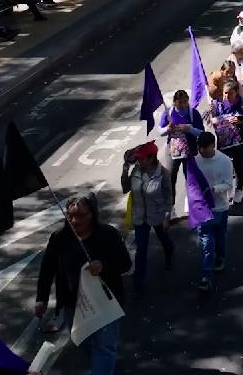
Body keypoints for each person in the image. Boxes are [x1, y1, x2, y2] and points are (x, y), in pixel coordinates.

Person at [33, 192, 131, 375]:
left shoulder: (109, 235)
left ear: (93, 214)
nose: (75, 221)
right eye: (70, 215)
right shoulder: (59, 238)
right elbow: (47, 269)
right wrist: (41, 298)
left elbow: (125, 264)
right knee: (83, 341)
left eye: (81, 216)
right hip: (74, 305)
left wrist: (103, 266)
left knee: (104, 347)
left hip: (106, 303)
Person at [120, 141, 174, 293]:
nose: (139, 161)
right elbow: (125, 188)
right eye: (138, 158)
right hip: (139, 217)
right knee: (141, 250)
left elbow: (168, 197)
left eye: (142, 158)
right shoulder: (136, 171)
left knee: (164, 240)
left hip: (157, 215)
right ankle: (139, 284)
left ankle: (170, 253)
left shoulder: (163, 174)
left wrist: (166, 217)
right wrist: (125, 170)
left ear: (151, 158)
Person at [194, 131, 235, 290]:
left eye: (206, 147)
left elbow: (229, 185)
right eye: (200, 147)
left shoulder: (224, 161)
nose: (202, 151)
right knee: (206, 242)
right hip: (202, 209)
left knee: (220, 236)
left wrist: (214, 189)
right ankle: (206, 276)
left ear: (213, 146)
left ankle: (221, 257)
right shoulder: (195, 161)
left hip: (220, 207)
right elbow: (191, 182)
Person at [157, 89, 205, 215]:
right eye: (180, 102)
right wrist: (168, 129)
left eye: (185, 102)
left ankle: (190, 204)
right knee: (170, 177)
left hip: (190, 150)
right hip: (173, 151)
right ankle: (171, 207)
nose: (183, 104)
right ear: (174, 102)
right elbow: (160, 131)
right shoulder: (169, 113)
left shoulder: (193, 113)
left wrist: (189, 129)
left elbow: (201, 132)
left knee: (190, 178)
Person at [209, 79, 243, 203]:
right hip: (224, 143)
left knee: (239, 167)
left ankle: (239, 189)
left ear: (236, 93)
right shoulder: (217, 104)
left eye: (229, 93)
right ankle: (227, 189)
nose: (226, 96)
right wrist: (213, 117)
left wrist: (240, 122)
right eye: (224, 93)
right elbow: (212, 121)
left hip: (240, 142)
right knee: (225, 167)